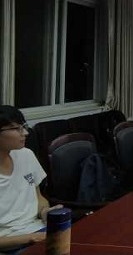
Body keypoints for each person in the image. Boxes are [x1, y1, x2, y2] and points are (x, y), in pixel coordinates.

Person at [0, 105, 62, 254]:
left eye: (24, 127)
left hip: (39, 230)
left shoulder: (25, 154)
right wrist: (30, 238)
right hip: (11, 243)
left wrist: (44, 211)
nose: (26, 133)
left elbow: (38, 197)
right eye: (16, 129)